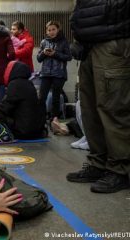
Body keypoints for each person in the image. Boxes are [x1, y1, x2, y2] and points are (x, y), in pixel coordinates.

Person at [66, 0, 130, 193]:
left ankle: (120, 168)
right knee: (90, 109)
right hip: (88, 44)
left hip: (113, 39)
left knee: (113, 109)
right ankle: (98, 162)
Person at [0, 61, 46, 140]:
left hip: (22, 132)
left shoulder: (15, 84)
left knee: (0, 119)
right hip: (38, 131)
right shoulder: (30, 84)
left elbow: (5, 107)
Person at [36, 21, 72, 127]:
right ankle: (41, 119)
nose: (51, 32)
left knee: (56, 98)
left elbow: (69, 57)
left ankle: (54, 119)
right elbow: (38, 58)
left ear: (58, 30)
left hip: (59, 74)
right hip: (46, 73)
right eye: (49, 30)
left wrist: (55, 54)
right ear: (46, 31)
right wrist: (44, 53)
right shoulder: (43, 42)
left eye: (53, 29)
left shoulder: (64, 42)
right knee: (41, 97)